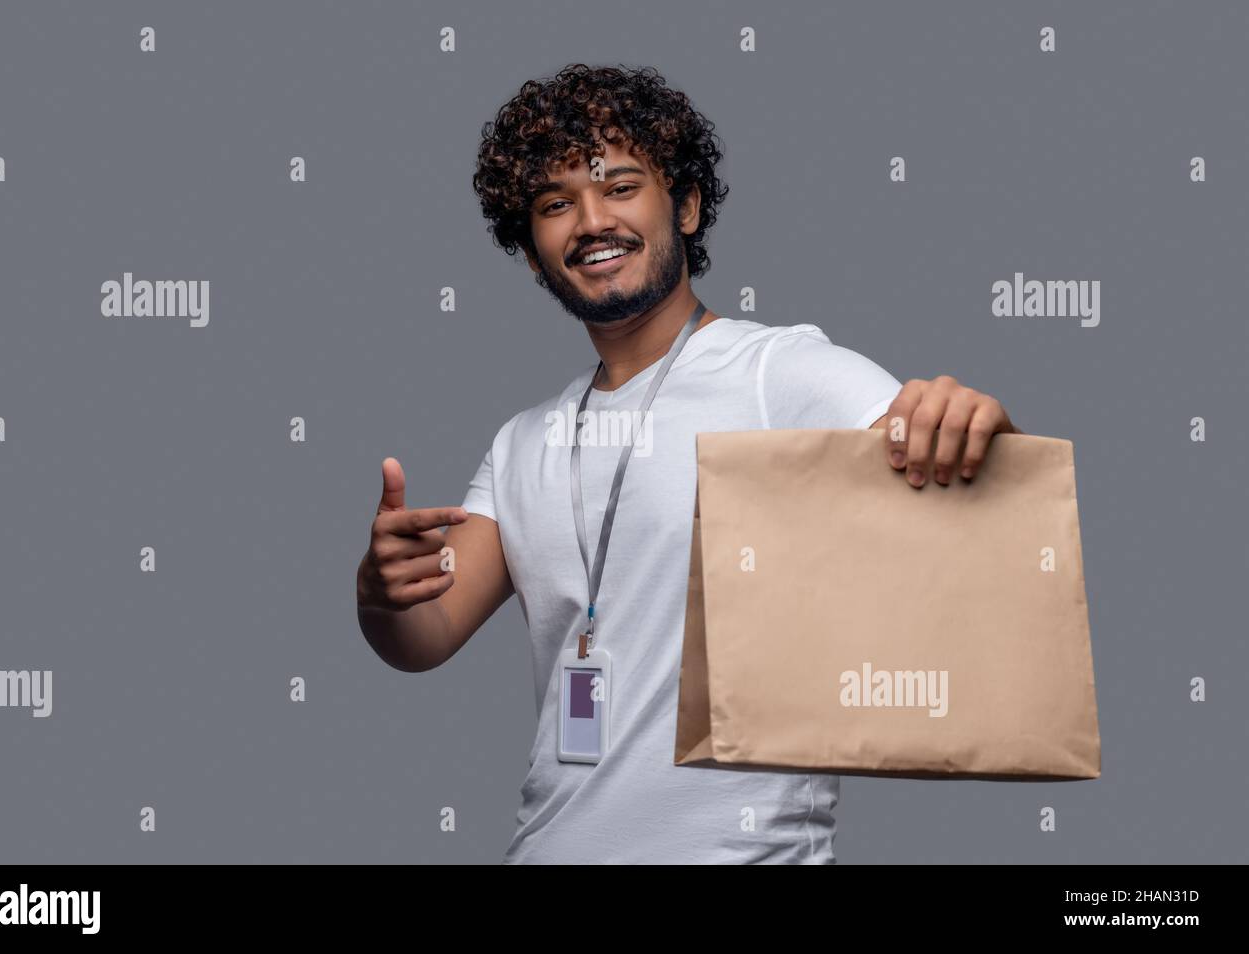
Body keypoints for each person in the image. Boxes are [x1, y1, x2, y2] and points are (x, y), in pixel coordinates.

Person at [355, 64, 1021, 863]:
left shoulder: (777, 374)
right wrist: (381, 593)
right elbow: (423, 635)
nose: (592, 221)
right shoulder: (523, 443)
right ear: (533, 254)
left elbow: (960, 478)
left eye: (621, 187)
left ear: (689, 205)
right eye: (556, 203)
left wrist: (973, 424)